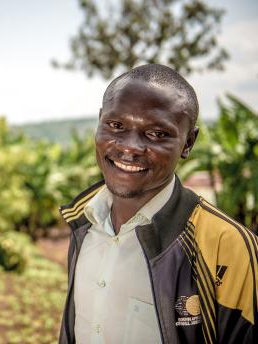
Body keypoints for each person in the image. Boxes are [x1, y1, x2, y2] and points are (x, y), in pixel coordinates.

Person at [58, 64, 258, 344]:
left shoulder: (228, 245)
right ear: (100, 121)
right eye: (116, 125)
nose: (129, 147)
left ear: (188, 143)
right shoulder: (83, 221)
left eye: (157, 134)